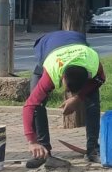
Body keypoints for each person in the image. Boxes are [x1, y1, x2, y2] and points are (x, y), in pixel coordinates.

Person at [23, 30, 105, 163]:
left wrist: (79, 98)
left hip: (76, 40)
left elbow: (100, 79)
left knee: (92, 98)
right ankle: (43, 150)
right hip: (47, 44)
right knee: (38, 103)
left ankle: (93, 149)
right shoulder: (51, 71)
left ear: (87, 75)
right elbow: (29, 105)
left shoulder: (93, 63)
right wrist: (31, 141)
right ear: (62, 78)